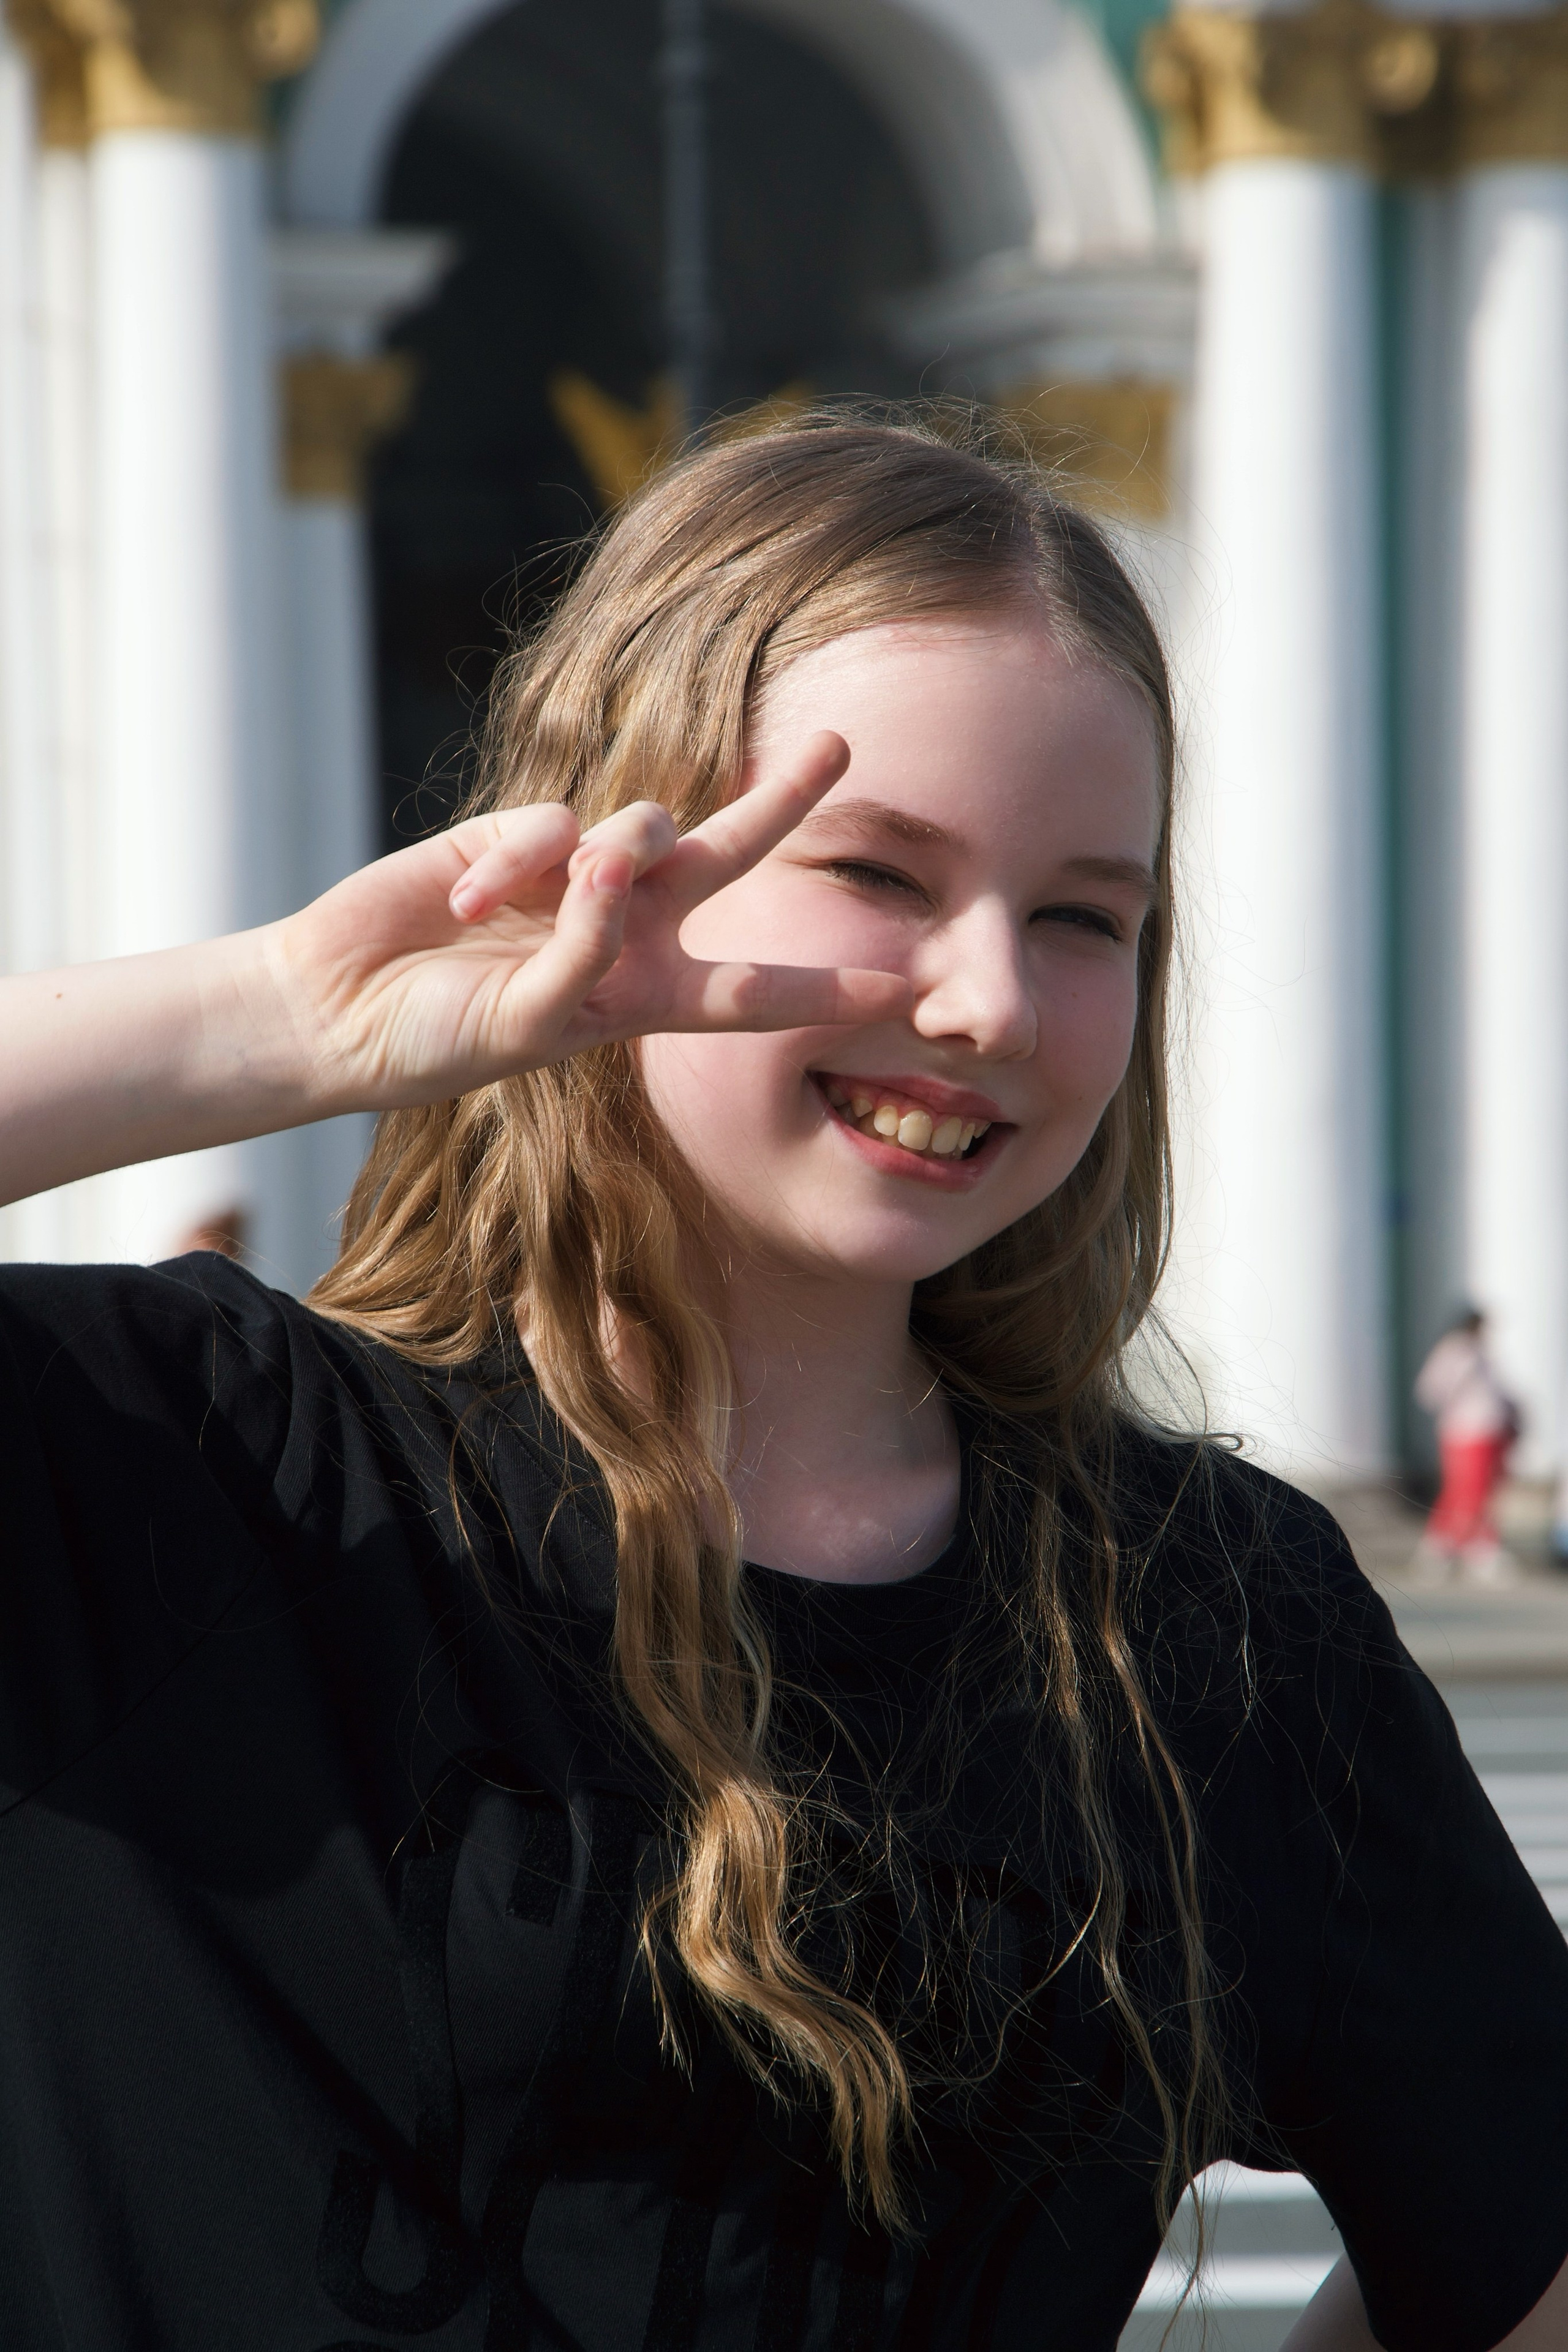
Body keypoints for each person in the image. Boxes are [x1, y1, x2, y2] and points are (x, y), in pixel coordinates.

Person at [2, 420, 1566, 2352]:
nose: (987, 996)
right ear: (602, 860)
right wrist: (281, 1015)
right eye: (874, 871)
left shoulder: (1214, 1620)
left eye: (1085, 913)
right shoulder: (177, 1465)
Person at [1413, 1308, 1523, 1585]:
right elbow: (1431, 1389)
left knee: (1480, 1492)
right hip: (1466, 1432)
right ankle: (1463, 1551)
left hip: (1489, 1432)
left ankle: (1460, 1550)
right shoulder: (1456, 1350)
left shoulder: (1478, 1352)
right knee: (1467, 1492)